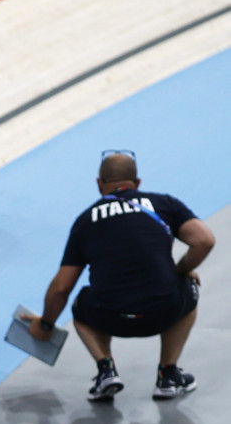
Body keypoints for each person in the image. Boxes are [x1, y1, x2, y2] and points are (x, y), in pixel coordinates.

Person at [23, 150, 215, 402]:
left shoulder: (85, 220)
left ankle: (106, 370)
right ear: (137, 183)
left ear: (99, 184)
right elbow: (205, 240)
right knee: (188, 286)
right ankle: (168, 375)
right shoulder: (164, 204)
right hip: (162, 312)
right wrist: (180, 271)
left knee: (81, 303)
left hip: (112, 317)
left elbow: (61, 287)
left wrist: (46, 324)